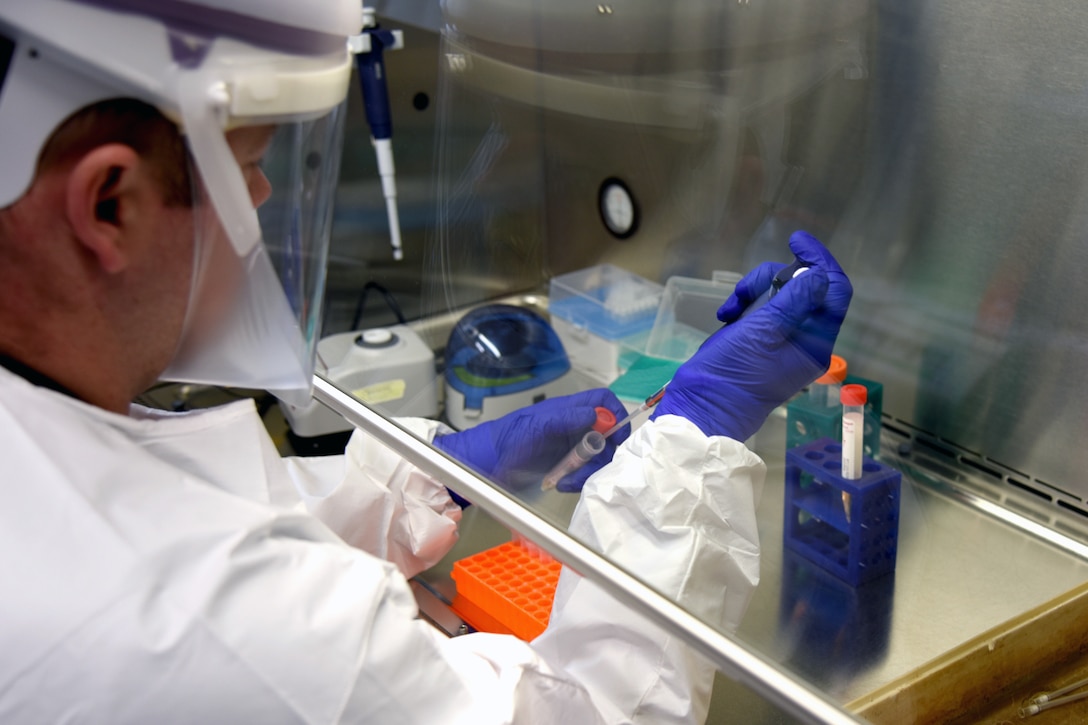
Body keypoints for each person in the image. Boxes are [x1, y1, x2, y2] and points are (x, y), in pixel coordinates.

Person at [0, 1, 852, 723]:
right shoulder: (206, 615)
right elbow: (587, 708)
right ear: (109, 203)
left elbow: (174, 510)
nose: (263, 200)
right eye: (252, 165)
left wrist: (425, 477)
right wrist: (695, 441)